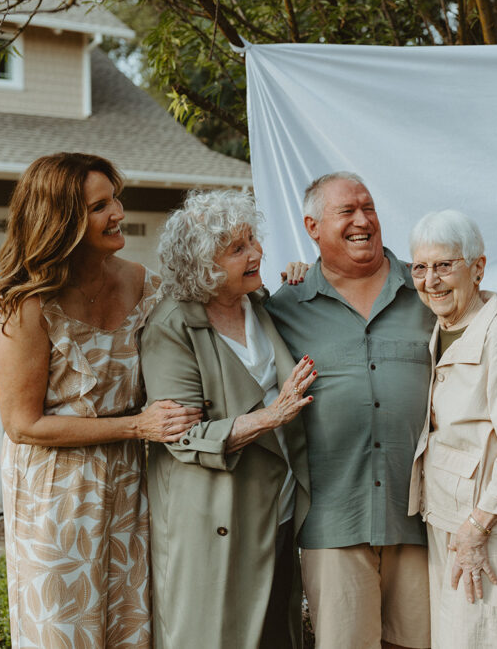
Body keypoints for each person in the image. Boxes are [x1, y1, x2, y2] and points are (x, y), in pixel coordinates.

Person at [0, 152, 201, 647]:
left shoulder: (143, 282)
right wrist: (135, 427)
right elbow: (23, 425)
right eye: (99, 206)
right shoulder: (29, 304)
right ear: (61, 219)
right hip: (55, 491)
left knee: (130, 623)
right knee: (62, 628)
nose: (119, 213)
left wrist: (293, 276)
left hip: (128, 482)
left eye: (116, 199)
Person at [266, 172, 435, 649]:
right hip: (334, 519)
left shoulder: (426, 290)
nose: (363, 220)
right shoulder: (285, 306)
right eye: (347, 211)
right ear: (312, 226)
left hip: (423, 516)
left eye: (369, 208)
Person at [139, 190, 313, 649]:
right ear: (202, 265)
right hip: (212, 514)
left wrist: (303, 276)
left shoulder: (259, 303)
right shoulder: (171, 326)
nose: (256, 252)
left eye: (253, 240)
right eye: (237, 249)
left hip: (276, 503)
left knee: (275, 626)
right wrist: (271, 417)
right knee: (214, 633)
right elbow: (182, 435)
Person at [405, 210, 497, 648]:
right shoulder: (442, 327)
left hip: (485, 527)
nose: (432, 280)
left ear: (479, 267)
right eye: (421, 268)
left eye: (445, 265)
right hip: (448, 517)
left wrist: (475, 529)